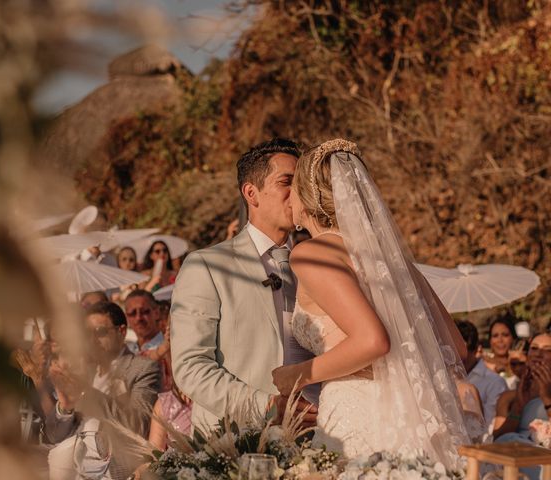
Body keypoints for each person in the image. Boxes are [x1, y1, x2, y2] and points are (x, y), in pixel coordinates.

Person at [270, 139, 474, 469]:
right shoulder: (395, 264)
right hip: (415, 416)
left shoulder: (312, 253)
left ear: (307, 199)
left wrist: (297, 375)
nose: (287, 196)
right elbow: (457, 346)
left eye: (292, 186)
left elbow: (372, 340)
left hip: (359, 414)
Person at [171, 138, 319, 432]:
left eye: (301, 183)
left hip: (317, 435)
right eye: (286, 181)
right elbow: (190, 366)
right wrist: (263, 408)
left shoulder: (316, 267)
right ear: (251, 193)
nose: (297, 192)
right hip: (238, 440)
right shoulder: (207, 266)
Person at [44, 301, 161, 442]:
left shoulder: (143, 368)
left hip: (119, 461)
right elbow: (53, 435)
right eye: (88, 333)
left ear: (122, 332)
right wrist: (65, 409)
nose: (92, 340)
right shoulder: (84, 369)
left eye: (100, 332)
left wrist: (86, 393)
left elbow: (141, 426)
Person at [492, 332, 551, 480]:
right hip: (515, 460)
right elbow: (498, 440)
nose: (539, 354)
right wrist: (519, 404)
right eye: (534, 348)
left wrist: (547, 399)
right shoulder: (509, 397)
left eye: (548, 349)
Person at [457, 320, 508, 427]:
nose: (457, 358)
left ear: (476, 348)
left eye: (462, 352)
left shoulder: (494, 382)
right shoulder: (442, 378)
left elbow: (490, 427)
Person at [123, 290, 165, 355]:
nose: (138, 318)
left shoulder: (170, 348)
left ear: (156, 313)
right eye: (133, 313)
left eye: (144, 312)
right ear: (126, 318)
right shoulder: (126, 352)